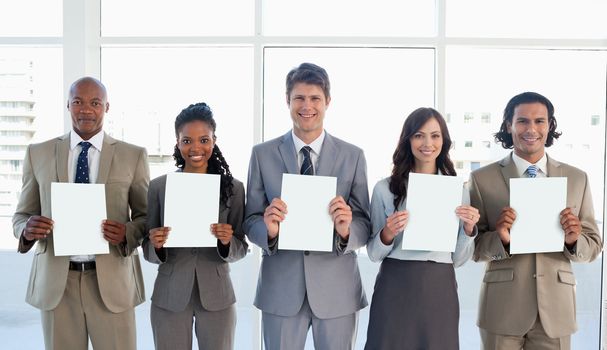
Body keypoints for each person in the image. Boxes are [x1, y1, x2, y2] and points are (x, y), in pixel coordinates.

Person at [12, 77, 149, 350]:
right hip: (57, 285)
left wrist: (128, 232)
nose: (86, 109)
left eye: (94, 103)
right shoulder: (37, 153)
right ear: (68, 105)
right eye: (78, 102)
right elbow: (21, 215)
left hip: (111, 283)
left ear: (106, 107)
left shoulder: (132, 155)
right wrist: (27, 229)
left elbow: (146, 217)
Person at [244, 62, 371, 350]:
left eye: (315, 98)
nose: (307, 106)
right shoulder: (262, 155)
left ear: (328, 101)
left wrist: (346, 230)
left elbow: (365, 221)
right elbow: (249, 218)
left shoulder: (353, 156)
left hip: (337, 291)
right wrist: (269, 230)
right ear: (287, 100)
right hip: (281, 289)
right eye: (299, 98)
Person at [470, 91, 602, 349]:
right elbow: (472, 249)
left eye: (539, 121)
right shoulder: (482, 179)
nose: (531, 129)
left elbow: (594, 246)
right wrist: (502, 240)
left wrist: (574, 241)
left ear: (550, 125)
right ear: (509, 125)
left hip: (556, 312)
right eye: (522, 121)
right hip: (501, 310)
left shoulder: (577, 178)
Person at [364, 107, 479, 350]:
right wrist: (388, 233)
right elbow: (374, 254)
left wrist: (468, 230)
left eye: (435, 135)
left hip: (439, 286)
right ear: (408, 140)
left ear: (444, 141)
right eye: (419, 135)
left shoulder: (457, 190)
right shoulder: (385, 189)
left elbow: (458, 259)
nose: (427, 143)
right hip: (395, 284)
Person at [142, 102, 247, 350]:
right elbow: (146, 247)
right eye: (187, 141)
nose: (196, 148)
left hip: (217, 295)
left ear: (214, 140)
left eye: (204, 140)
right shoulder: (159, 187)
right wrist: (156, 245)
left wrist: (226, 242)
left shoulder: (233, 189)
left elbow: (242, 246)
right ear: (177, 142)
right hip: (170, 294)